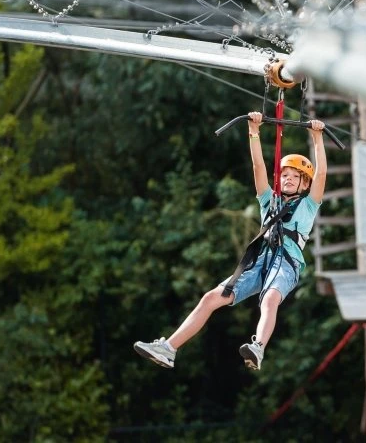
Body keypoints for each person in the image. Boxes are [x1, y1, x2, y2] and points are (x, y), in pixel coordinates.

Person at [134, 111, 327, 370]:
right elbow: (258, 167)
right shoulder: (269, 201)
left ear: (305, 184)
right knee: (211, 297)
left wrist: (317, 138)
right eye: (284, 175)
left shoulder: (308, 206)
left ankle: (258, 347)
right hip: (260, 260)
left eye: (295, 176)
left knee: (270, 298)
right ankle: (168, 348)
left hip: (286, 263)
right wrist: (254, 132)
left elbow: (322, 174)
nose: (288, 179)